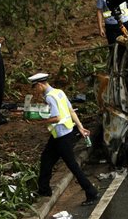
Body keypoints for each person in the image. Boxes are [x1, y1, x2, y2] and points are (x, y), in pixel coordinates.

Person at [29, 72, 99, 206]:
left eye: (35, 88)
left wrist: (39, 120)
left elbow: (56, 117)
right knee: (46, 159)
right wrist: (80, 127)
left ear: (40, 85)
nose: (35, 91)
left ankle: (91, 192)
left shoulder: (50, 97)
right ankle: (44, 190)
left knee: (72, 165)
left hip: (62, 137)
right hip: (62, 134)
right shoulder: (58, 92)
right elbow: (71, 110)